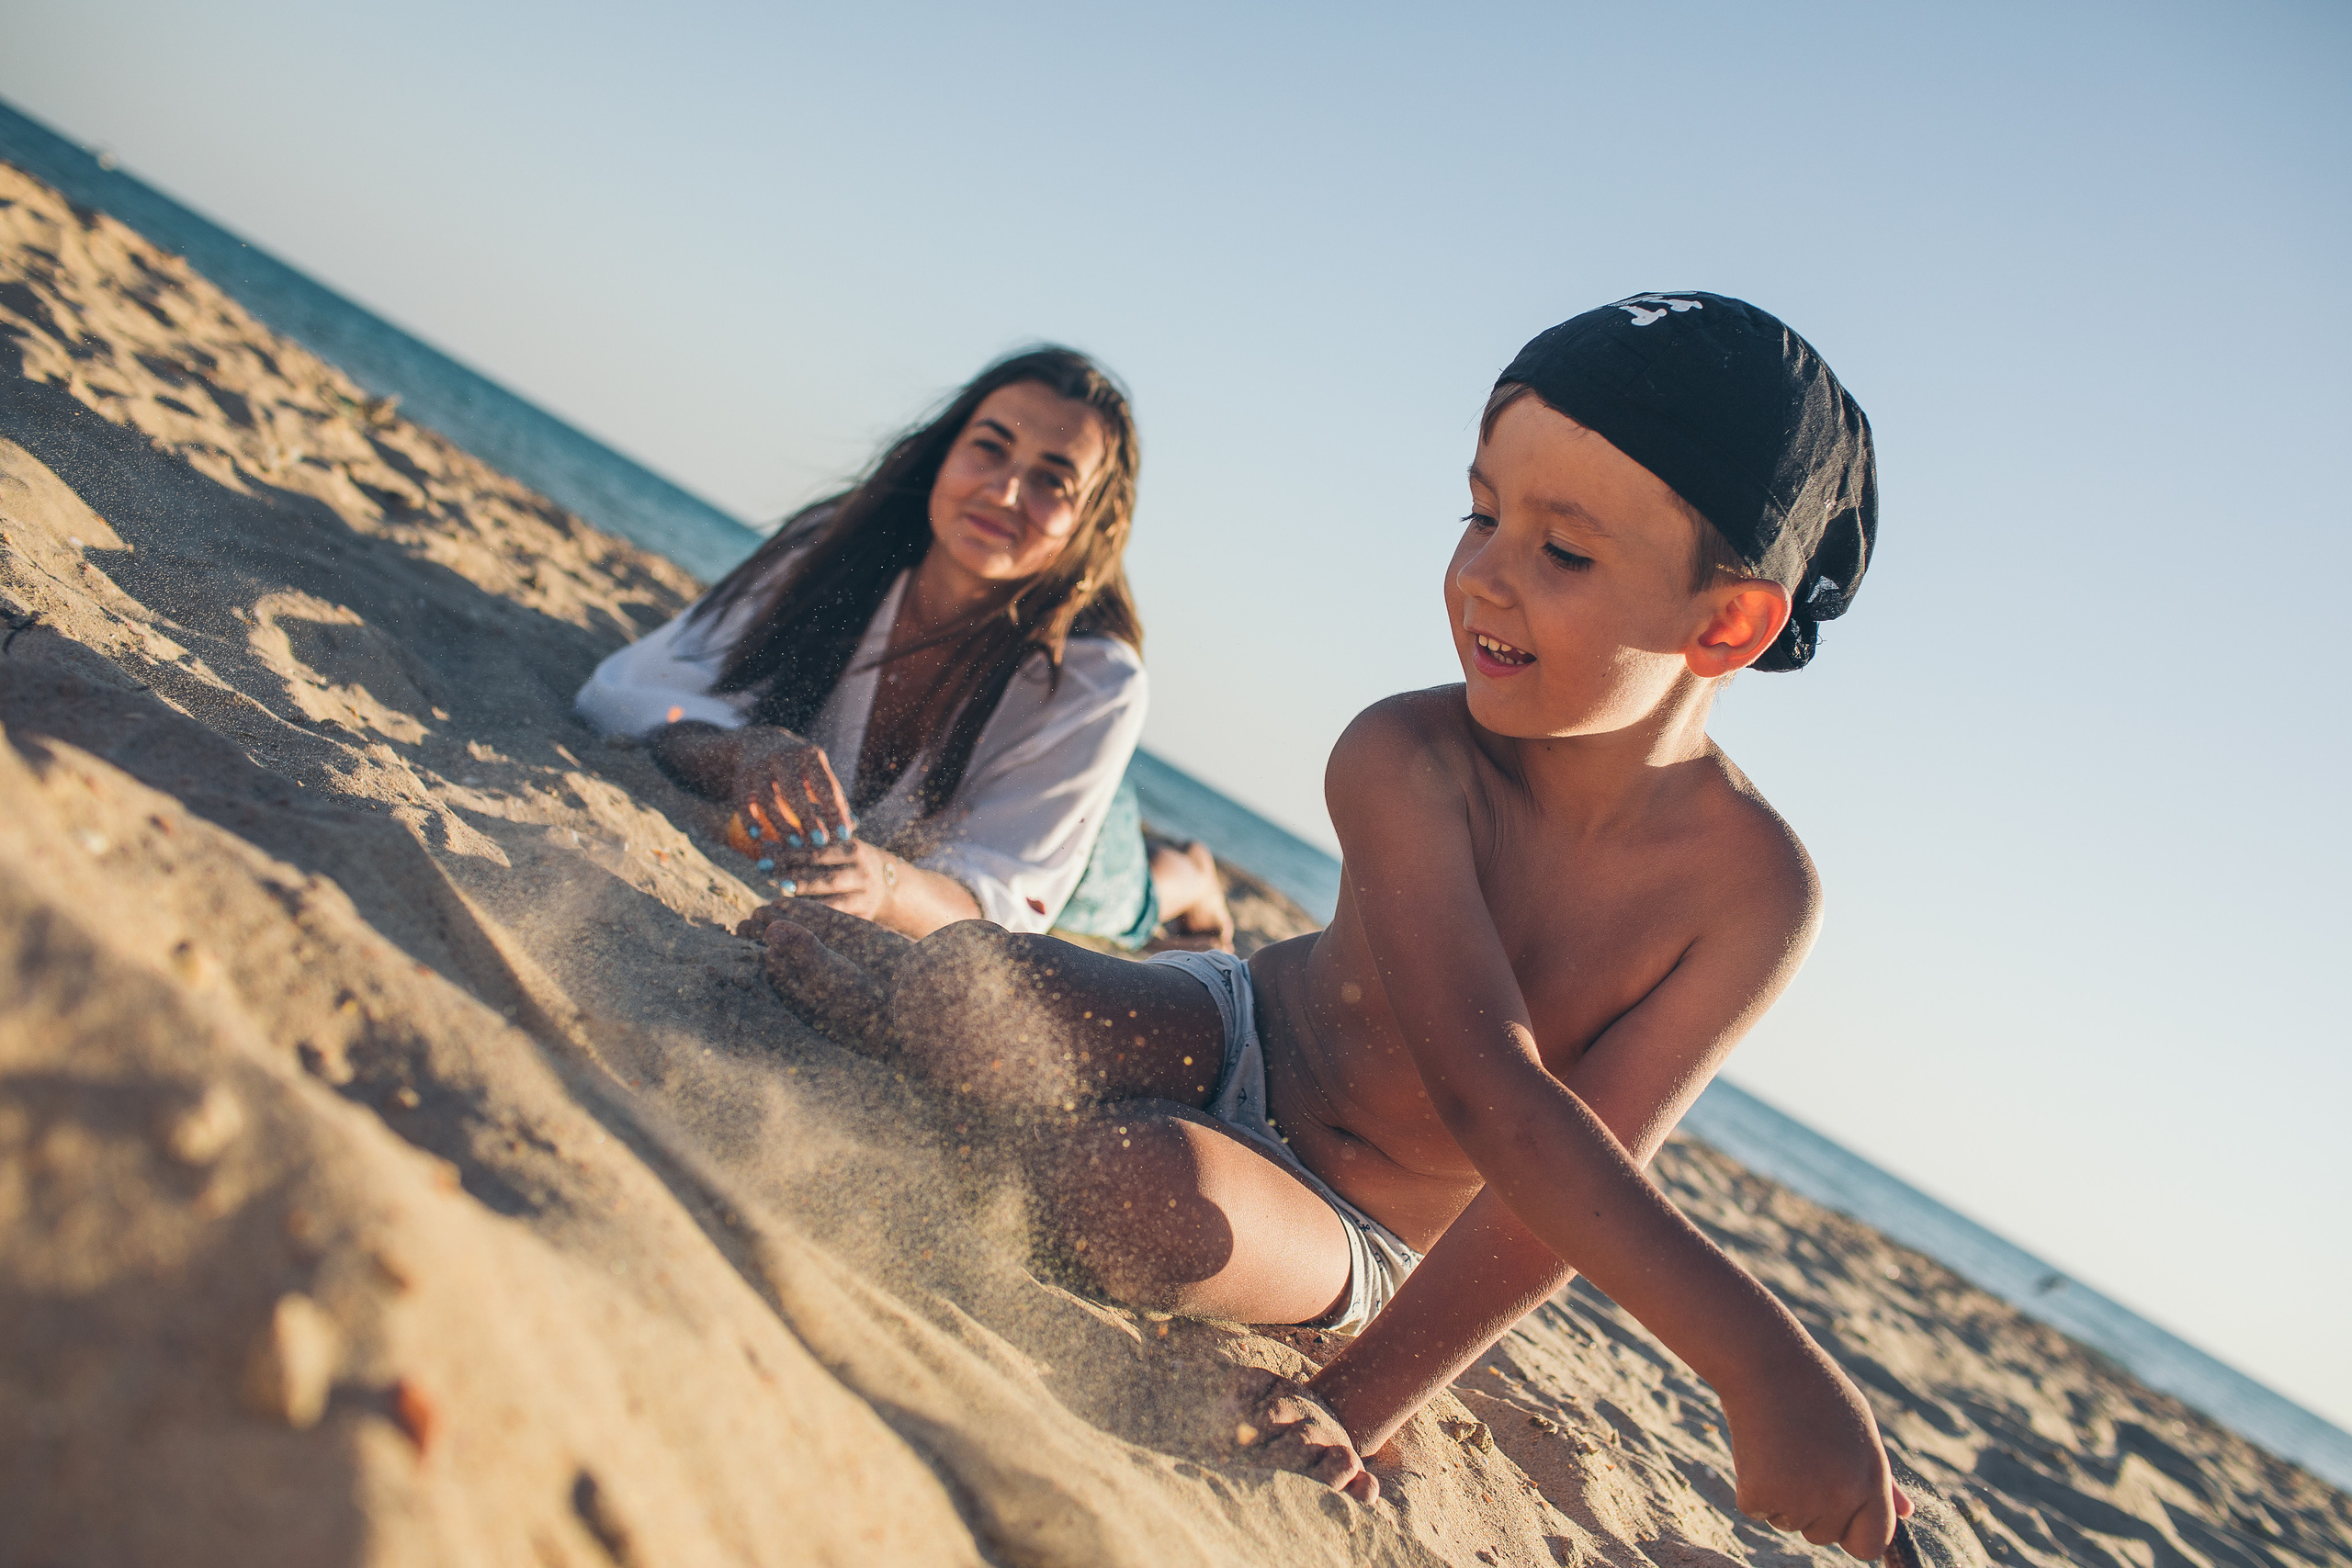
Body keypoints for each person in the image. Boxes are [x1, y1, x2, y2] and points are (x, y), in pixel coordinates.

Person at [754, 295, 1916, 1556]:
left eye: (1562, 552)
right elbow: (1488, 1083)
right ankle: (902, 1013)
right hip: (1237, 1023)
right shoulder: (1405, 752)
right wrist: (1760, 1362)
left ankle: (1057, 1121)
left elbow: (1551, 1185)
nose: (1481, 571)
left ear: (1727, 620)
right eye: (1481, 512)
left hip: (1360, 1219)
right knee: (958, 989)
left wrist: (1360, 1396)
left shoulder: (1749, 892)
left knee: (1135, 1193)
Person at [574, 347, 1232, 949]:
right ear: (945, 452)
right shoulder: (831, 552)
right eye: (990, 447)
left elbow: (1007, 903)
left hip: (1069, 801)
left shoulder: (1095, 682)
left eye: (1052, 482)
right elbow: (627, 691)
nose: (1004, 492)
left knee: (1118, 899)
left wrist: (884, 885)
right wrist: (744, 753)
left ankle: (1195, 874)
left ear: (1094, 521)